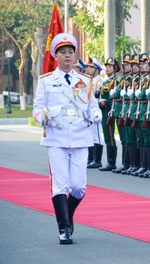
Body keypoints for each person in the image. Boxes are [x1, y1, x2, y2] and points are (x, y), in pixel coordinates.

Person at [33, 33, 102, 244]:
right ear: (56, 55)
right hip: (56, 139)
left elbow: (92, 107)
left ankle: (68, 215)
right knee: (60, 185)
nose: (68, 56)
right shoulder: (46, 82)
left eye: (71, 52)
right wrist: (42, 117)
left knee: (79, 186)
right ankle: (63, 228)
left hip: (81, 137)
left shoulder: (85, 81)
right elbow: (37, 109)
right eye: (63, 52)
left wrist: (96, 114)